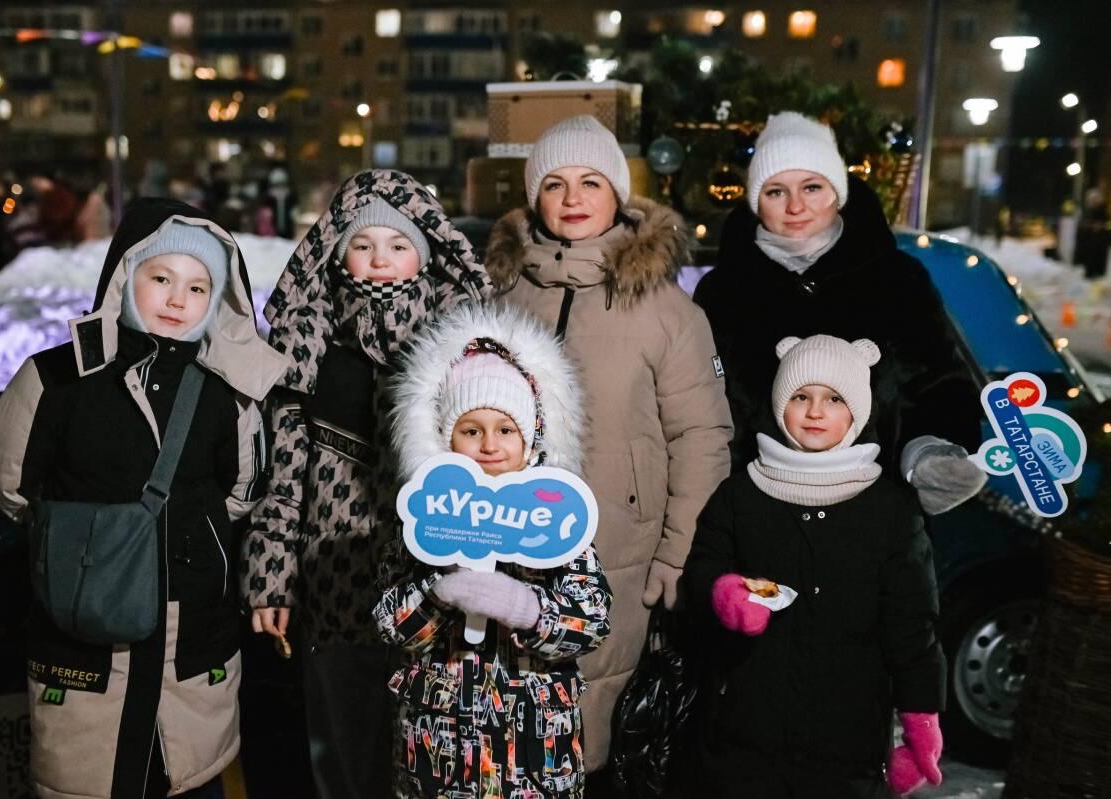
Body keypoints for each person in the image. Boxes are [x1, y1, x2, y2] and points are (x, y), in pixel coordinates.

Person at [0, 198, 289, 798]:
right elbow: (5, 480)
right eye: (161, 278)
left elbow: (241, 491)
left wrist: (188, 536)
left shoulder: (228, 394)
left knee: (189, 777)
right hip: (84, 635)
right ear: (124, 275)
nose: (177, 299)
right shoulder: (55, 378)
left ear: (216, 301)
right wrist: (78, 542)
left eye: (198, 287)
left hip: (190, 637)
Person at [483, 114, 734, 774]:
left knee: (592, 737)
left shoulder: (665, 309)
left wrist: (677, 556)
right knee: (506, 747)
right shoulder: (499, 295)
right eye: (555, 184)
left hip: (619, 555)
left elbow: (702, 437)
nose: (572, 198)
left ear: (618, 194)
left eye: (590, 181)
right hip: (505, 550)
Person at [243, 169, 490, 799]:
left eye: (398, 245)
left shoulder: (464, 351)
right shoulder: (310, 346)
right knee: (345, 749)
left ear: (427, 255)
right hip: (333, 579)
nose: (380, 260)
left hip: (435, 587)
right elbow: (284, 477)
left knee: (435, 751)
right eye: (363, 244)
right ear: (336, 252)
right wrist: (272, 577)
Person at [684, 334, 946, 798]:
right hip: (745, 733)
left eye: (834, 399)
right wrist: (724, 593)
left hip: (847, 743)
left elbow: (912, 624)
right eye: (801, 396)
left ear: (858, 411)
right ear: (779, 404)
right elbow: (704, 565)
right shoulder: (741, 494)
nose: (815, 412)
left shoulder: (891, 510)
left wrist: (920, 717)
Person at [375, 303, 612, 798]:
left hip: (534, 755)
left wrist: (527, 609)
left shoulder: (557, 521)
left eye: (506, 430)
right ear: (445, 439)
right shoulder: (423, 519)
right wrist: (441, 590)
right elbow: (390, 623)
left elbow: (592, 621)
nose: (489, 445)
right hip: (440, 757)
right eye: (471, 430)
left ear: (531, 439)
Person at [694, 111, 985, 515]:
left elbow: (941, 386)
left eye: (811, 187)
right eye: (776, 192)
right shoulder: (723, 291)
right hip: (754, 516)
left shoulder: (897, 280)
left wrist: (928, 454)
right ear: (756, 202)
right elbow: (699, 404)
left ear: (837, 192)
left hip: (875, 515)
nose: (795, 206)